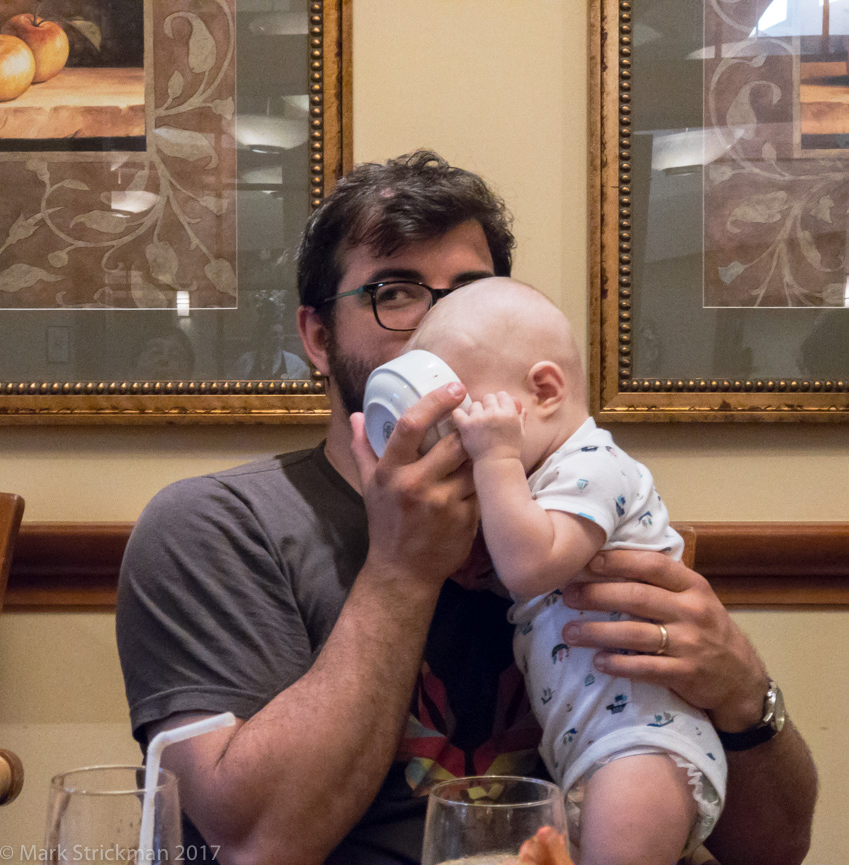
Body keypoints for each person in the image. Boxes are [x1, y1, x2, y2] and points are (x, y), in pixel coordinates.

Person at [116, 150, 816, 865]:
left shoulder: (569, 502)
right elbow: (258, 842)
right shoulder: (215, 526)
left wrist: (742, 693)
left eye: (470, 292)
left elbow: (777, 848)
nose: (440, 324)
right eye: (396, 292)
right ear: (319, 338)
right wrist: (401, 569)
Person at [404, 278, 727, 864]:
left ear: (545, 390)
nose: (458, 443)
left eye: (468, 419)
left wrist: (496, 457)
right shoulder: (544, 486)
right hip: (589, 749)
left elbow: (529, 568)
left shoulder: (596, 467)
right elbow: (540, 578)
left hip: (643, 746)